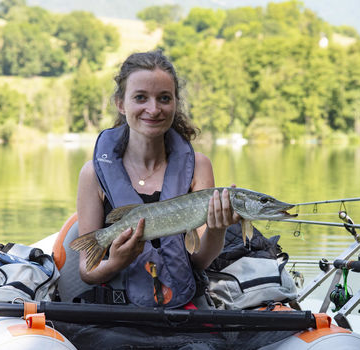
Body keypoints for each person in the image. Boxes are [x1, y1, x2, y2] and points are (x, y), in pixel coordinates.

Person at [75, 50, 240, 308]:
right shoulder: (92, 174)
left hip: (181, 306)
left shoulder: (199, 166)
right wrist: (117, 261)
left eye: (164, 98)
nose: (153, 109)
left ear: (175, 102)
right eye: (140, 98)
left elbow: (198, 260)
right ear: (121, 103)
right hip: (119, 312)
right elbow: (87, 271)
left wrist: (217, 229)